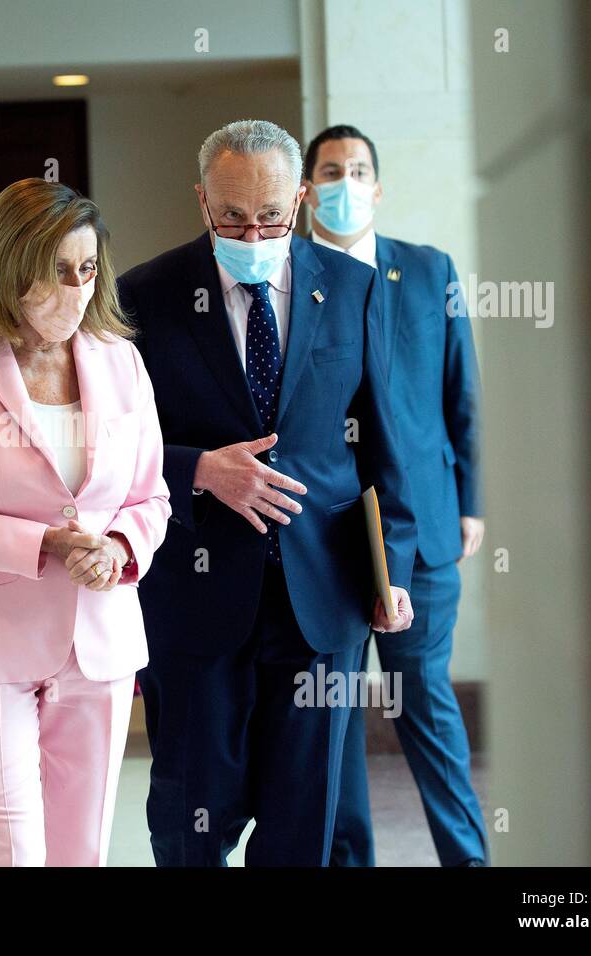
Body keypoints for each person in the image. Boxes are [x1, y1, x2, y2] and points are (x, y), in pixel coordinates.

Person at [118, 119, 417, 866]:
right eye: (232, 217)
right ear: (201, 200)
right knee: (193, 811)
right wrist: (198, 470)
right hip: (194, 599)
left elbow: (386, 443)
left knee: (303, 819)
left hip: (324, 597)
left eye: (271, 216)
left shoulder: (352, 287)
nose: (252, 232)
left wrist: (396, 574)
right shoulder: (145, 297)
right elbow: (113, 450)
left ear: (302, 198)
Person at [0, 178, 171, 866]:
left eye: (87, 270)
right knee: (9, 843)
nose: (75, 291)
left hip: (97, 641)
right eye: (56, 272)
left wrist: (118, 546)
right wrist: (40, 543)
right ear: (11, 269)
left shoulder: (121, 362)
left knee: (82, 846)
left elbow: (151, 496)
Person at [304, 125, 488, 867]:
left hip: (430, 526)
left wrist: (472, 501)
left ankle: (467, 859)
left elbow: (462, 394)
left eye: (358, 170)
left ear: (377, 186)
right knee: (336, 715)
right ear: (307, 187)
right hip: (326, 536)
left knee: (425, 703)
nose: (345, 182)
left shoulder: (427, 268)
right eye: (330, 170)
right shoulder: (294, 275)